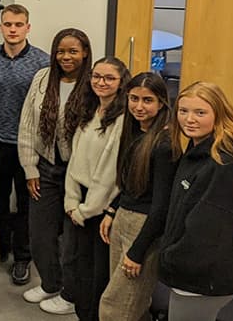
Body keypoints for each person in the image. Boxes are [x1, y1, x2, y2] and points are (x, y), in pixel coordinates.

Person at [159, 82, 233, 321]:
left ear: (218, 114)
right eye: (183, 111)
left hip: (200, 279)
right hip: (196, 274)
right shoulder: (196, 152)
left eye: (200, 112)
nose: (189, 119)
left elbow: (207, 232)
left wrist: (169, 258)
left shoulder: (221, 164)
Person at [18, 28, 93, 315]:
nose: (66, 57)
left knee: (73, 241)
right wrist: (29, 168)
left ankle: (70, 294)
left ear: (84, 52)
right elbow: (27, 125)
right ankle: (50, 283)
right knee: (40, 234)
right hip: (45, 169)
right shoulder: (41, 78)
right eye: (61, 51)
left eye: (73, 51)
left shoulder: (92, 84)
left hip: (79, 175)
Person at [0, 4, 49, 285]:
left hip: (29, 146)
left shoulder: (43, 61)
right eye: (8, 24)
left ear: (28, 27)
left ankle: (22, 257)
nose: (13, 29)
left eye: (19, 24)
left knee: (28, 205)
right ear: (2, 27)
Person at [99, 73, 175, 321]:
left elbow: (161, 207)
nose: (139, 106)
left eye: (147, 100)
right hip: (123, 218)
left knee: (116, 308)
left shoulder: (164, 145)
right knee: (131, 303)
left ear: (162, 103)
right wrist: (112, 211)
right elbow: (131, 184)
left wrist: (138, 251)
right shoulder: (134, 132)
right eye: (134, 99)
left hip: (144, 227)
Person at [63, 57, 129, 321]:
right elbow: (74, 159)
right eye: (97, 77)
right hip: (78, 202)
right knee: (78, 267)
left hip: (99, 210)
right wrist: (70, 201)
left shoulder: (123, 120)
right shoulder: (90, 111)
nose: (101, 83)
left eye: (109, 78)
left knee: (96, 274)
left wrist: (86, 210)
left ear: (121, 82)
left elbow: (110, 174)